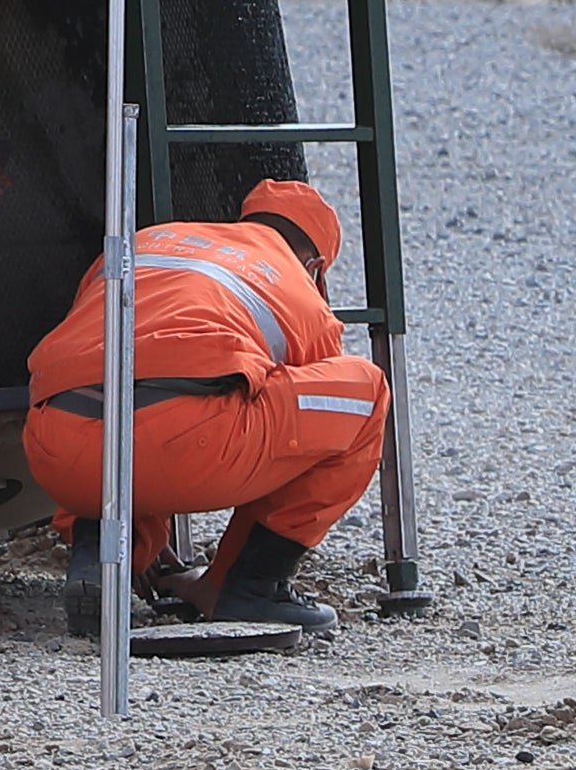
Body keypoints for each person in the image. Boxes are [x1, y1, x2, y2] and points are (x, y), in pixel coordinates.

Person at [20, 176, 383, 642]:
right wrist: (218, 574)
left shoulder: (152, 240)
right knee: (367, 393)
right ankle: (251, 586)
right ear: (315, 266)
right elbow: (305, 430)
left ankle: (104, 557)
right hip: (183, 449)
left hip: (57, 449)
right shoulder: (296, 284)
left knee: (118, 390)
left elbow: (110, 354)